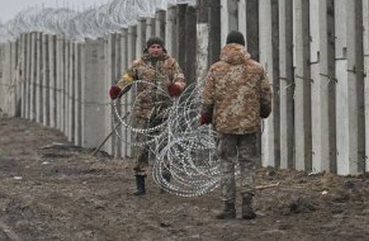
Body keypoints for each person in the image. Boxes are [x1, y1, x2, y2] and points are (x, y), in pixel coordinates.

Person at [199, 31, 271, 220]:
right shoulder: (257, 68)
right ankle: (247, 206)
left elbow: (207, 98)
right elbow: (265, 95)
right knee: (247, 164)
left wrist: (205, 116)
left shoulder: (216, 69)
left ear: (227, 44)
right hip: (249, 124)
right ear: (243, 44)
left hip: (224, 125)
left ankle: (228, 206)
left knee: (226, 164)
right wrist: (263, 112)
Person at [108, 36, 186, 196]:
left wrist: (177, 87)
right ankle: (140, 182)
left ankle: (165, 181)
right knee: (142, 147)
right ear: (147, 49)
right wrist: (118, 90)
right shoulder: (138, 65)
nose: (155, 49)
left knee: (165, 145)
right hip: (143, 112)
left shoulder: (170, 63)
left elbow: (180, 78)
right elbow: (127, 79)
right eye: (153, 47)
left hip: (164, 111)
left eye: (158, 46)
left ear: (162, 48)